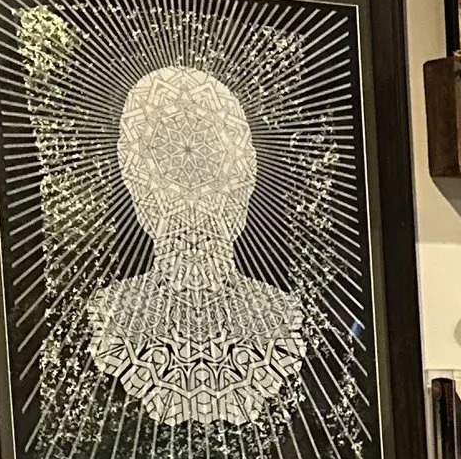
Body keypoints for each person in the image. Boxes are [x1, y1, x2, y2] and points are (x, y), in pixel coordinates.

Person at [86, 65, 305, 427]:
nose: (193, 200)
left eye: (214, 171)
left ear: (244, 184)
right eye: (169, 173)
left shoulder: (283, 318)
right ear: (139, 194)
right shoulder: (110, 319)